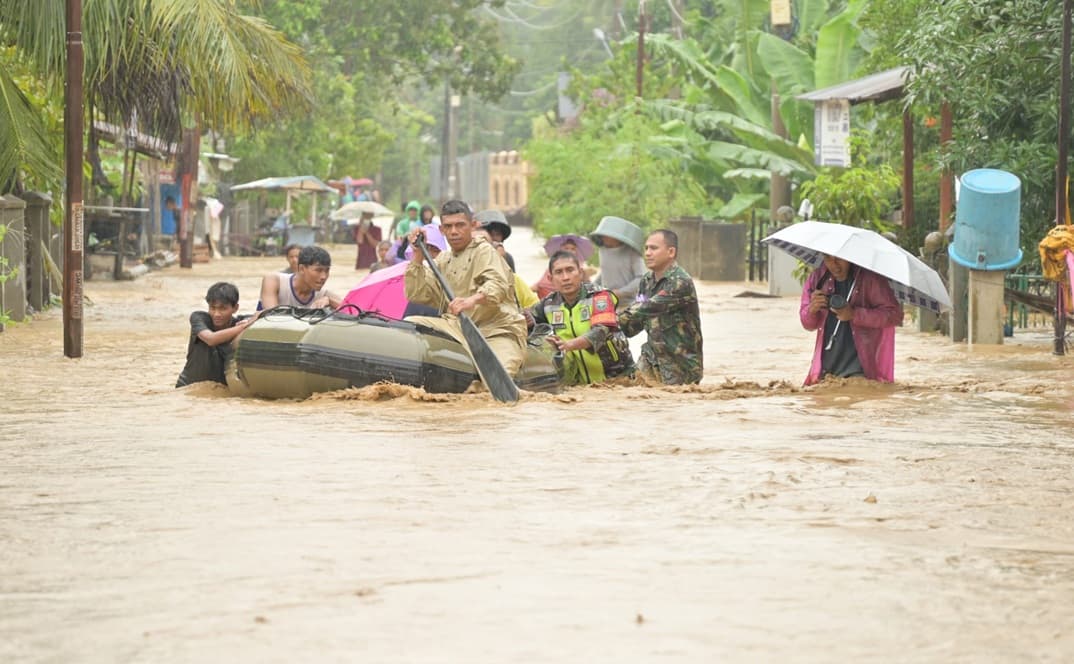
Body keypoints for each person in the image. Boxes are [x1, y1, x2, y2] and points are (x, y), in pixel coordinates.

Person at [404, 200, 527, 376]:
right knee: (410, 323)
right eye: (448, 226)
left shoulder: (484, 251)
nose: (454, 231)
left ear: (473, 225)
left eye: (460, 225)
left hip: (496, 329)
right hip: (456, 327)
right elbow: (417, 294)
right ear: (442, 230)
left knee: (499, 375)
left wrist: (471, 300)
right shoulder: (443, 260)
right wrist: (417, 255)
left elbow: (497, 285)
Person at [531, 250, 633, 385]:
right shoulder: (548, 304)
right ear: (551, 279)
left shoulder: (600, 296)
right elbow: (525, 320)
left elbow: (600, 331)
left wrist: (569, 345)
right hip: (582, 385)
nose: (565, 277)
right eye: (559, 272)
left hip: (619, 380)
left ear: (580, 273)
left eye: (570, 270)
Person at [800, 254, 903, 385]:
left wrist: (854, 314)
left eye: (839, 258)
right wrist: (812, 310)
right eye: (828, 258)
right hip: (826, 367)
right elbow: (807, 324)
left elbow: (894, 315)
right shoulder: (817, 279)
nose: (834, 265)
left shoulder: (870, 278)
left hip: (862, 367)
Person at [618, 229, 703, 385]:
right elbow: (635, 320)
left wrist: (612, 321)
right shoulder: (646, 281)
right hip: (651, 357)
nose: (648, 253)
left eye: (654, 248)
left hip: (679, 364)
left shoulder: (680, 281)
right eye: (646, 248)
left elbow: (647, 307)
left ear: (671, 252)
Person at [175, 282, 251, 387]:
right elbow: (211, 339)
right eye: (212, 308)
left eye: (223, 308)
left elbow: (268, 313)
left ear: (235, 308)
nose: (216, 314)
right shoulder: (199, 318)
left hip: (222, 393)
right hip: (188, 388)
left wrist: (252, 320)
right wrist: (242, 327)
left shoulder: (244, 321)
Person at [258, 245, 340, 310]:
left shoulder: (324, 295)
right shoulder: (274, 281)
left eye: (327, 271)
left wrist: (331, 301)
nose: (324, 276)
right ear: (301, 269)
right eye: (318, 270)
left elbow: (351, 310)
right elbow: (272, 316)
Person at [590, 215, 646, 310]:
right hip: (607, 304)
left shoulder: (632, 253)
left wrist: (621, 292)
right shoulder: (602, 251)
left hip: (630, 305)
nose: (603, 237)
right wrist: (592, 288)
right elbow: (605, 273)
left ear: (616, 236)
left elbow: (641, 278)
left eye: (606, 235)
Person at [532, 235, 593, 300]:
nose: (569, 251)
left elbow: (589, 286)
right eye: (566, 248)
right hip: (548, 296)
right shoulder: (553, 266)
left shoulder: (581, 268)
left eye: (573, 249)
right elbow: (539, 284)